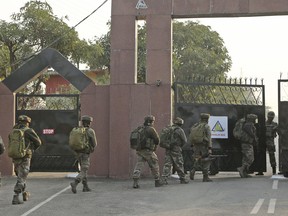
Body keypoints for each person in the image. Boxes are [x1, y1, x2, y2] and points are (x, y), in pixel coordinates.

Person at [11, 115, 42, 205]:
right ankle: (16, 196)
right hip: (25, 156)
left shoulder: (13, 131)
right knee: (22, 176)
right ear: (27, 123)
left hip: (15, 156)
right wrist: (31, 150)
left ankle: (25, 194)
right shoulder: (28, 131)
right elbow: (38, 142)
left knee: (20, 175)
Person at [132, 115, 163, 188]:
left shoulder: (139, 128)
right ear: (151, 121)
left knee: (139, 165)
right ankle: (157, 181)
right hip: (148, 151)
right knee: (154, 164)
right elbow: (157, 140)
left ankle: (135, 182)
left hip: (140, 150)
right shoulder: (151, 129)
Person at [70, 115, 97, 194]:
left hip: (78, 152)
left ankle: (85, 186)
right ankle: (75, 182)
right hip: (85, 153)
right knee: (84, 169)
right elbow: (95, 143)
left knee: (83, 168)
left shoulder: (77, 130)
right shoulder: (90, 131)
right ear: (89, 123)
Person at [162, 117, 189, 184]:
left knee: (167, 164)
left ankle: (164, 179)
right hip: (176, 149)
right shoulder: (179, 130)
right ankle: (183, 179)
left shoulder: (168, 129)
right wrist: (179, 146)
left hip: (168, 148)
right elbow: (185, 140)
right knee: (179, 164)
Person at [189, 113, 213, 182]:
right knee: (206, 160)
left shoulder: (195, 125)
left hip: (196, 145)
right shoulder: (206, 126)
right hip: (204, 146)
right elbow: (209, 138)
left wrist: (192, 144)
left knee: (197, 158)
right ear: (207, 119)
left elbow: (191, 135)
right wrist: (209, 148)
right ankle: (205, 177)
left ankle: (193, 170)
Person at [256, 111, 279, 175]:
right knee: (261, 155)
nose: (270, 118)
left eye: (271, 117)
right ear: (267, 117)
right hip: (263, 140)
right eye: (269, 117)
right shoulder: (264, 123)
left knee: (271, 155)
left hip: (270, 140)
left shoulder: (275, 124)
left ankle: (273, 169)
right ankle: (260, 170)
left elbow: (278, 132)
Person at [237, 114, 258, 178]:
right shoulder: (248, 125)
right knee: (250, 158)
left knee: (246, 158)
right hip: (247, 144)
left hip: (247, 143)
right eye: (254, 119)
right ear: (251, 119)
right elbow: (250, 132)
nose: (255, 120)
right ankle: (242, 169)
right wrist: (254, 138)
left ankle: (244, 173)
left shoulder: (248, 124)